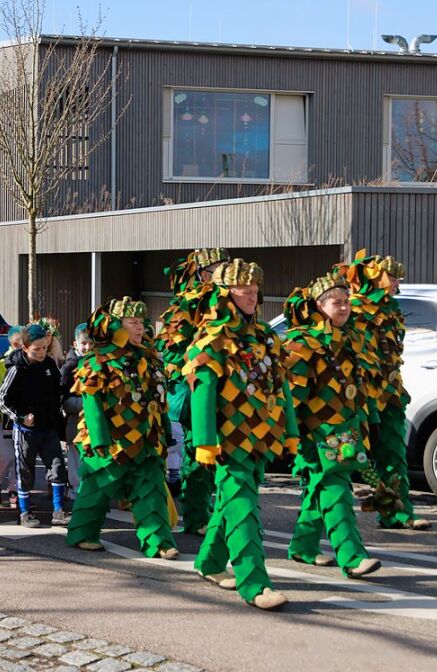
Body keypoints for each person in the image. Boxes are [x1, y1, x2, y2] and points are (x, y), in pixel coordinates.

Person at [183, 259, 298, 611]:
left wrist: (290, 431)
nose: (251, 296)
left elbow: (282, 387)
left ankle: (209, 562)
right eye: (242, 291)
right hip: (228, 441)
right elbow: (202, 391)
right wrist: (204, 441)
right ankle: (255, 583)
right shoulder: (212, 338)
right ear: (225, 295)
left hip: (260, 437)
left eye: (253, 291)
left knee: (232, 503)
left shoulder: (264, 336)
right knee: (244, 506)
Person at [282, 272, 383, 578]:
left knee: (320, 487)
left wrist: (370, 423)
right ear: (320, 306)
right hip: (317, 433)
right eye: (336, 303)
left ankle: (303, 546)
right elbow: (292, 396)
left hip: (347, 428)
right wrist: (292, 436)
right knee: (337, 486)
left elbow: (359, 388)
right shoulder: (302, 342)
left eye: (346, 302)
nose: (343, 308)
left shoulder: (352, 339)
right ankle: (352, 557)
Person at [66, 297, 178, 558]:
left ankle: (158, 540)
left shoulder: (149, 358)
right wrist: (99, 439)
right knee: (98, 488)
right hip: (111, 440)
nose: (140, 328)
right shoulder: (97, 360)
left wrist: (165, 430)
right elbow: (92, 403)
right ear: (116, 325)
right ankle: (83, 533)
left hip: (146, 438)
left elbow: (158, 400)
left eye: (141, 322)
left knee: (150, 487)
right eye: (133, 322)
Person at [345, 251, 430, 531]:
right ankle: (317, 522)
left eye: (397, 278)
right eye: (391, 277)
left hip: (389, 393)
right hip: (356, 397)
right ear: (374, 278)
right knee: (347, 457)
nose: (396, 282)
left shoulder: (392, 310)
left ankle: (397, 511)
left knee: (394, 453)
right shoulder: (351, 309)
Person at [155, 247, 229, 533]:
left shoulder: (228, 301)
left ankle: (217, 511)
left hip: (229, 391)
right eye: (217, 268)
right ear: (201, 273)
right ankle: (197, 516)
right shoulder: (187, 304)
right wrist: (198, 361)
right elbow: (169, 349)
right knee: (200, 452)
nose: (222, 274)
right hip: (198, 387)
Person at [0, 324, 69, 528]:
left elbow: (57, 393)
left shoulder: (50, 365)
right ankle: (25, 512)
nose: (41, 353)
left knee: (57, 467)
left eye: (44, 348)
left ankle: (58, 510)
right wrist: (19, 418)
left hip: (49, 428)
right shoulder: (17, 368)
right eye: (36, 349)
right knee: (25, 471)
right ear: (25, 347)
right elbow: (1, 399)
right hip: (26, 431)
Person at [0, 325, 23, 507]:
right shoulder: (4, 362)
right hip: (4, 418)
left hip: (23, 417)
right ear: (16, 343)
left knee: (20, 455)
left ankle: (15, 490)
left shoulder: (30, 361)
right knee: (6, 454)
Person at [60, 323, 92, 497]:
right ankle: (74, 486)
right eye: (84, 343)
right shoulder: (69, 367)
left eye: (91, 344)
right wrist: (88, 405)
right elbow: (63, 399)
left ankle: (88, 487)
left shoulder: (98, 363)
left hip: (92, 423)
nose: (87, 347)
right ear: (75, 344)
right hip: (76, 421)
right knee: (75, 456)